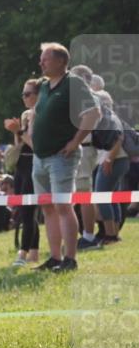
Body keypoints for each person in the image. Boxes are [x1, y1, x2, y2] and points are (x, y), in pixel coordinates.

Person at [30, 43, 100, 272]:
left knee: (63, 206)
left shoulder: (73, 83)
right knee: (48, 208)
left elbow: (93, 114)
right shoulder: (43, 87)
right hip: (40, 157)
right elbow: (36, 114)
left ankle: (70, 259)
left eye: (45, 59)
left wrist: (75, 141)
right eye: (41, 59)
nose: (41, 63)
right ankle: (55, 257)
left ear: (61, 61)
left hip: (62, 156)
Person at [4, 78, 42, 266]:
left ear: (38, 95)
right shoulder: (26, 114)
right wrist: (16, 131)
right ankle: (34, 252)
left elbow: (36, 145)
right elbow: (21, 145)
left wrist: (19, 131)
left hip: (34, 164)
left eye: (28, 94)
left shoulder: (42, 114)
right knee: (24, 210)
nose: (24, 98)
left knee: (28, 211)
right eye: (23, 94)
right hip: (22, 165)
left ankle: (23, 253)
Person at [92, 90, 130, 246]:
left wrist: (109, 159)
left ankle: (110, 235)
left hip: (114, 160)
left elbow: (119, 139)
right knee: (111, 197)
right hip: (117, 160)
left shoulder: (108, 118)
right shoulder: (110, 117)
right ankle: (114, 234)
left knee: (101, 196)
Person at [70, 64, 101, 249]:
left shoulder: (88, 97)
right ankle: (84, 234)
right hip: (83, 147)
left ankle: (89, 237)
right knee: (79, 195)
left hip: (85, 147)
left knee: (83, 194)